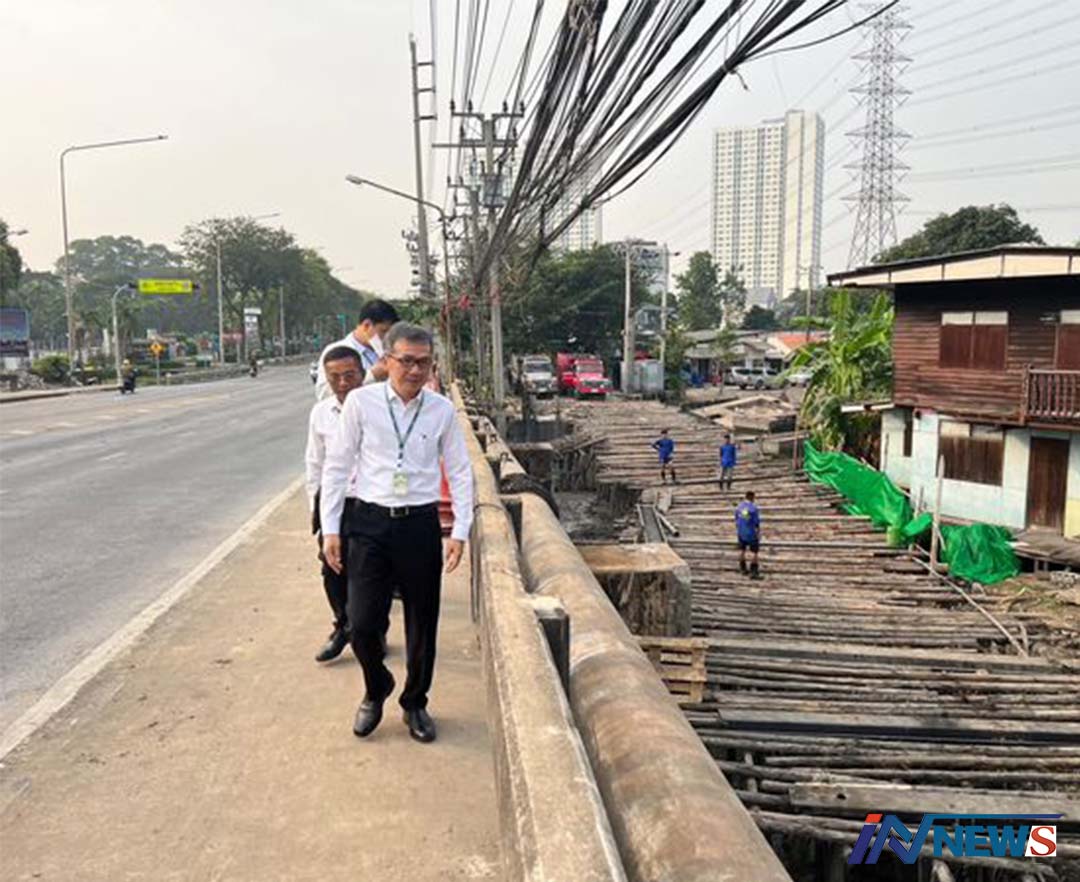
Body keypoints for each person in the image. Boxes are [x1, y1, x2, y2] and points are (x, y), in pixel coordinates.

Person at [321, 322, 473, 744]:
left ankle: (415, 701)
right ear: (387, 361)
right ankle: (377, 686)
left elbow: (460, 470)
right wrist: (331, 528)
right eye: (406, 360)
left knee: (422, 621)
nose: (415, 370)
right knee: (361, 622)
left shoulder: (441, 410)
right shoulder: (362, 403)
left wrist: (460, 531)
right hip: (369, 524)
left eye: (424, 362)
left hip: (419, 525)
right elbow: (337, 465)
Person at [304, 346, 366, 663]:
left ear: (363, 374)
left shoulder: (378, 409)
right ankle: (343, 627)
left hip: (370, 504)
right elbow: (315, 462)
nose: (343, 383)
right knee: (332, 570)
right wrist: (315, 508)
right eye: (335, 377)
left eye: (349, 375)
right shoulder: (321, 413)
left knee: (370, 572)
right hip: (335, 504)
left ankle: (371, 631)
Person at [314, 299, 400, 400]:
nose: (387, 337)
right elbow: (324, 395)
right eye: (383, 331)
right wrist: (372, 376)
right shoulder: (336, 351)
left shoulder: (389, 351)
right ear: (367, 326)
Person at [735, 490, 761, 579]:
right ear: (752, 497)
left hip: (741, 531)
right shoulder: (753, 508)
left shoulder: (739, 507)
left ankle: (742, 568)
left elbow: (736, 519)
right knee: (754, 551)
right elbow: (756, 522)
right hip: (751, 532)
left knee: (742, 550)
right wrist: (758, 531)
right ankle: (753, 571)